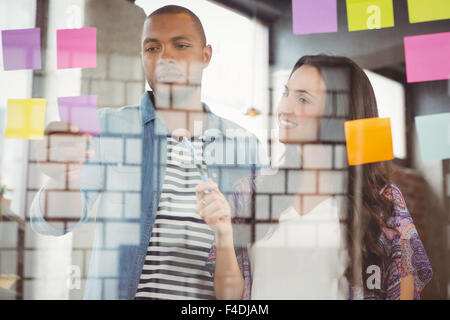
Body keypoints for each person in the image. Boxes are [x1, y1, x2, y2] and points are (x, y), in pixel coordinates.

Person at [30, 5, 267, 300]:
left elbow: (258, 261)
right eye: (152, 48)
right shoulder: (105, 128)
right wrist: (64, 178)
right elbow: (50, 223)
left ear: (206, 55)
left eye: (181, 45)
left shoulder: (245, 147)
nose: (165, 57)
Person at [221, 54, 433, 299]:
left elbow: (403, 286)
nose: (284, 108)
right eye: (286, 94)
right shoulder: (249, 193)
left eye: (303, 99)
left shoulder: (381, 201)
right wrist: (222, 231)